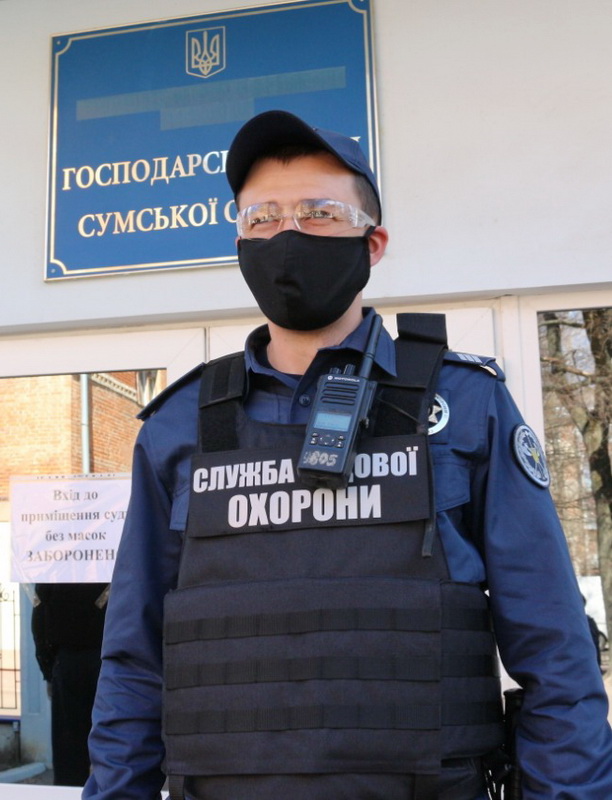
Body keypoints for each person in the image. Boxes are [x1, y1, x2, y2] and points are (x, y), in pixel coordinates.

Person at [83, 110, 612, 800]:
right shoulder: (179, 425)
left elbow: (555, 652)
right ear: (239, 241)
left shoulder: (465, 404)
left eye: (319, 212)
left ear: (373, 243)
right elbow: (133, 662)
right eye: (262, 217)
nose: (287, 235)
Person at [32, 582, 107, 786]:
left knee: (69, 750)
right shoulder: (109, 565)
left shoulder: (54, 567)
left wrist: (48, 668)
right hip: (107, 661)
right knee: (112, 744)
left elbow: (39, 617)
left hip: (68, 662)